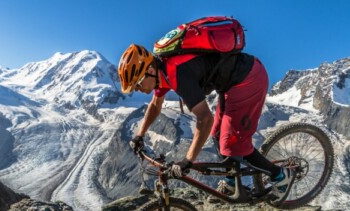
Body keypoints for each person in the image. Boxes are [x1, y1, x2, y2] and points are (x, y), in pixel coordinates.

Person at [118, 44, 293, 195]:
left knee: (234, 143)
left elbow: (204, 119)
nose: (137, 89)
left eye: (138, 83)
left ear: (149, 70)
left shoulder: (177, 73)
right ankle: (232, 182)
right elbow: (156, 105)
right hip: (231, 82)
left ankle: (280, 175)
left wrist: (188, 160)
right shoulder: (161, 72)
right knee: (218, 133)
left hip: (248, 78)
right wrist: (139, 135)